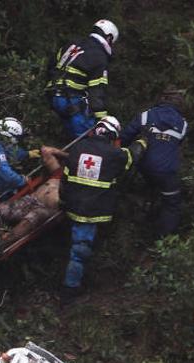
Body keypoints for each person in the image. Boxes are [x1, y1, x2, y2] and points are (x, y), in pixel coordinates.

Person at [56, 115, 146, 302]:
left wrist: (64, 202)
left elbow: (64, 180)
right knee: (80, 249)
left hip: (73, 206)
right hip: (92, 211)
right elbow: (131, 157)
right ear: (113, 135)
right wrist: (143, 141)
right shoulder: (113, 154)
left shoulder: (77, 148)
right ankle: (69, 290)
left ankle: (72, 279)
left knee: (75, 244)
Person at [120, 88, 187, 237]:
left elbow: (125, 137)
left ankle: (138, 221)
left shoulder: (145, 116)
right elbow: (178, 144)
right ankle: (163, 239)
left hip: (145, 167)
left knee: (146, 187)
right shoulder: (183, 124)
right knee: (172, 204)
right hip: (167, 172)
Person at [45, 20, 119, 138]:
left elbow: (51, 65)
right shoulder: (100, 56)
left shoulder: (72, 44)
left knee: (66, 138)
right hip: (71, 101)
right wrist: (103, 120)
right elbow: (97, 92)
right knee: (89, 139)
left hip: (52, 95)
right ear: (109, 38)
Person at [0, 146, 64, 247]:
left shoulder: (81, 189)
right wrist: (63, 154)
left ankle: (0, 244)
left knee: (33, 216)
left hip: (47, 210)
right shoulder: (60, 172)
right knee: (0, 209)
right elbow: (45, 150)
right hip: (30, 201)